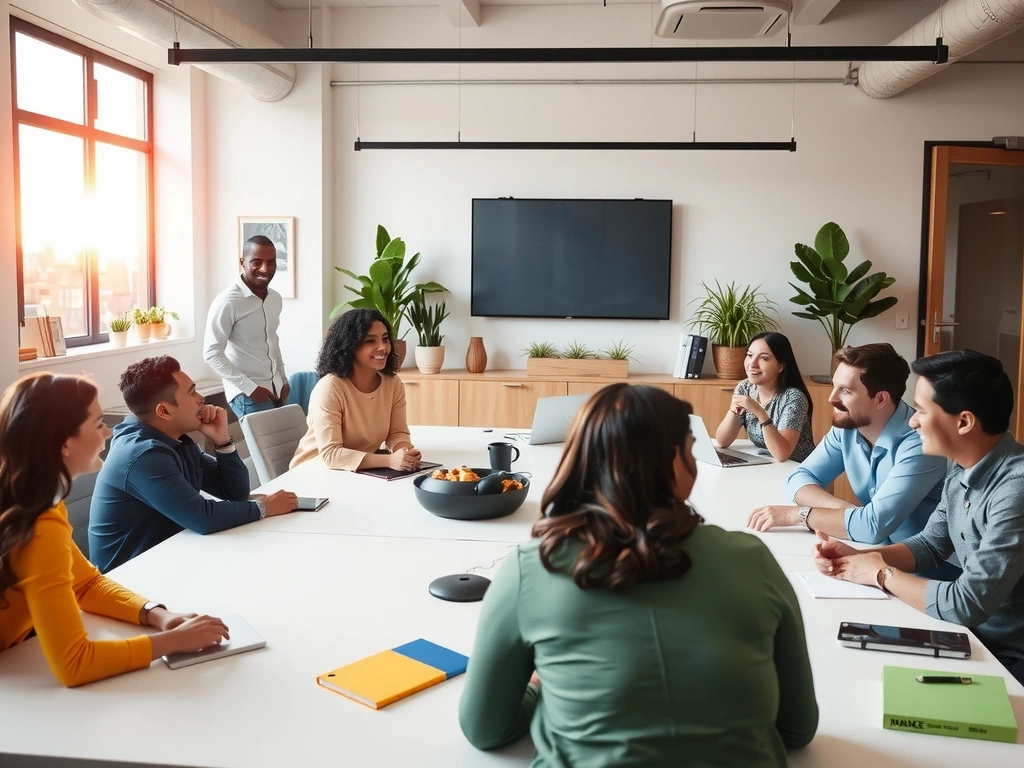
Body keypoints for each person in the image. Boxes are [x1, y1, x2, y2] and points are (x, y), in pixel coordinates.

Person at [459, 384, 818, 763]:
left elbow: (485, 729)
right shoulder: (752, 561)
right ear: (677, 464)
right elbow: (797, 729)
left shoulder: (531, 569)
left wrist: (540, 687)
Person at [0, 373, 230, 688]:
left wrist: (159, 616)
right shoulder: (41, 525)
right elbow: (75, 663)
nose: (108, 432)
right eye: (97, 425)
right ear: (63, 444)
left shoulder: (36, 500)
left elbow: (84, 585)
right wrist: (173, 642)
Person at [813, 350, 1024, 685]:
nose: (912, 420)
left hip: (1008, 657)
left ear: (964, 422)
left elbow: (966, 603)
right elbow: (929, 545)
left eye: (922, 410)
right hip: (970, 637)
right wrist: (859, 558)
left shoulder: (1016, 490)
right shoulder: (963, 468)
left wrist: (880, 573)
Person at [89, 356, 297, 573]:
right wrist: (265, 507)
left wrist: (222, 441)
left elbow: (234, 493)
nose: (201, 398)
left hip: (173, 557)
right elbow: (202, 517)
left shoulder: (174, 438)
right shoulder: (141, 454)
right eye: (192, 393)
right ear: (164, 411)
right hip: (130, 578)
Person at [747, 343, 948, 549]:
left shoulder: (920, 444)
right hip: (874, 552)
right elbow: (798, 478)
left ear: (880, 399)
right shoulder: (847, 427)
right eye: (835, 386)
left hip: (927, 569)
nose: (832, 398)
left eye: (845, 391)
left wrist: (797, 515)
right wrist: (847, 512)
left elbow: (872, 528)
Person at [290, 309, 421, 472]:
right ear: (350, 346)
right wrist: (389, 460)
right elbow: (331, 455)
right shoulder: (330, 388)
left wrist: (404, 452)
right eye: (370, 341)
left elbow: (397, 433)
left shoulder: (393, 384)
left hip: (357, 471)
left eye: (385, 339)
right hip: (314, 472)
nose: (382, 347)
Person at [204, 235, 289, 419]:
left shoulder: (275, 298)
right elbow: (211, 353)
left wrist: (283, 378)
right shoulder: (227, 301)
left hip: (276, 389)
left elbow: (272, 342)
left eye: (271, 262)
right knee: (263, 449)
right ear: (242, 262)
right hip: (248, 394)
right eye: (256, 262)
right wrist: (250, 389)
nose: (265, 269)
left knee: (283, 448)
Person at [715, 331, 815, 462]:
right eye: (750, 355)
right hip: (768, 465)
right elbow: (722, 441)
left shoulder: (793, 398)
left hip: (798, 468)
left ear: (781, 366)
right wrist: (733, 410)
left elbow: (782, 454)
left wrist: (759, 413)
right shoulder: (745, 388)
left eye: (764, 358)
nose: (753, 364)